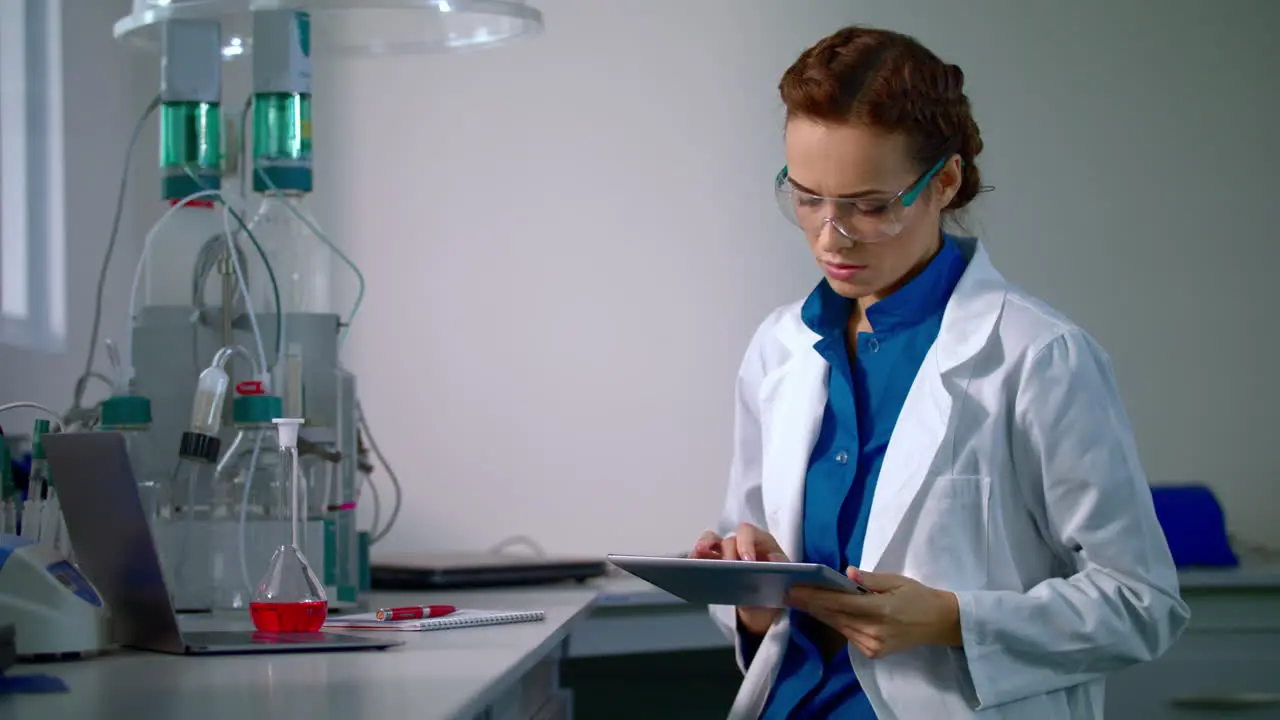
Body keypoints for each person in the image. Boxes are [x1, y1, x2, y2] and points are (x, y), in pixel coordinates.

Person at [691, 25, 1189, 720]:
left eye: (868, 206)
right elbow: (750, 588)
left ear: (943, 182)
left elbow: (1143, 604)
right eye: (806, 198)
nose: (831, 235)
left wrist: (953, 619)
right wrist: (750, 597)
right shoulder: (781, 347)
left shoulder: (1037, 355)